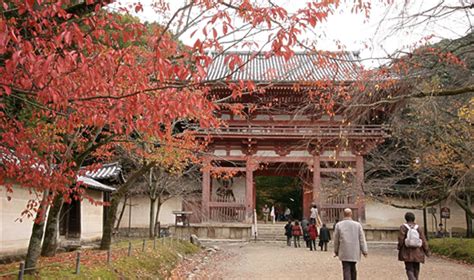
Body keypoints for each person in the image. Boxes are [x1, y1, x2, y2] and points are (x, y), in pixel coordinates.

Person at [334, 208, 368, 280]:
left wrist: (336, 250)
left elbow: (336, 239)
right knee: (353, 267)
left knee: (346, 268)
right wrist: (364, 250)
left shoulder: (339, 225)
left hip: (344, 250)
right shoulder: (357, 225)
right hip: (354, 250)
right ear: (351, 214)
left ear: (344, 214)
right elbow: (362, 239)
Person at [398, 212, 430, 280]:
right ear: (414, 218)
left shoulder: (403, 227)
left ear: (406, 218)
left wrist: (399, 247)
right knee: (416, 268)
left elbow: (401, 239)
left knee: (409, 268)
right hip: (418, 251)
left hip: (407, 251)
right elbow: (423, 239)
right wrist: (426, 250)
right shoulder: (418, 227)